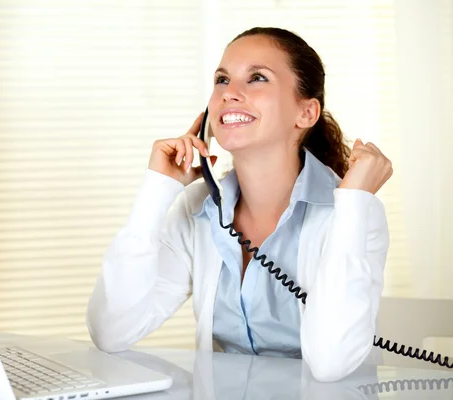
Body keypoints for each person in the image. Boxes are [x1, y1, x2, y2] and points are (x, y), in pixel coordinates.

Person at [86, 27, 393, 382]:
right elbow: (110, 332)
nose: (229, 93)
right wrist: (158, 190)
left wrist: (354, 203)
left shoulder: (353, 216)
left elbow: (330, 365)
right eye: (221, 80)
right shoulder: (198, 210)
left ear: (306, 113)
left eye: (257, 78)